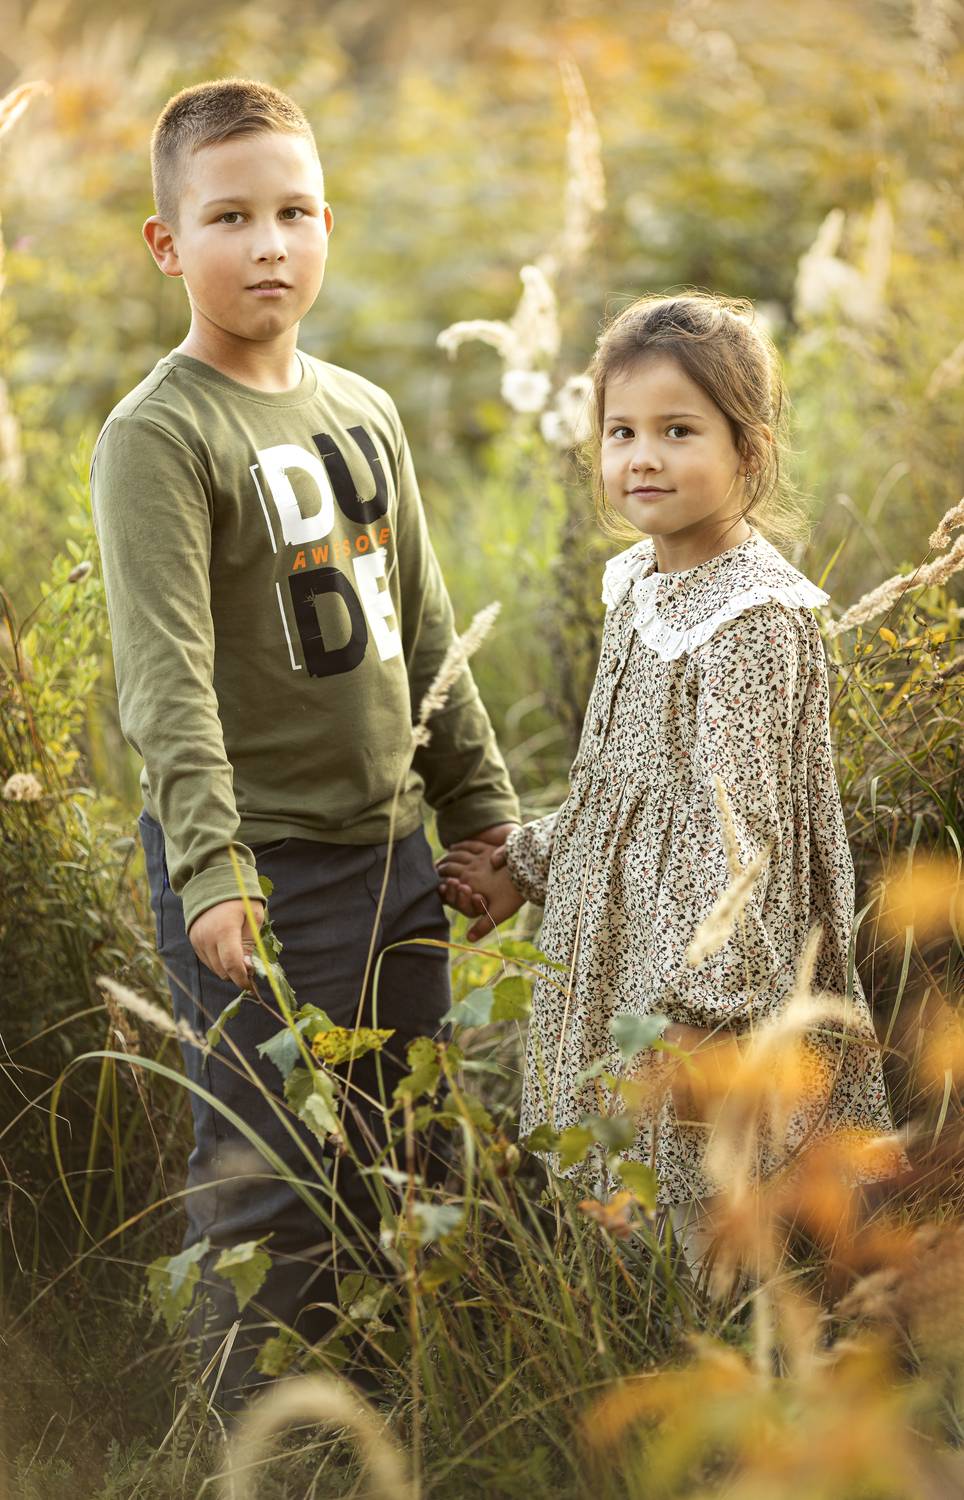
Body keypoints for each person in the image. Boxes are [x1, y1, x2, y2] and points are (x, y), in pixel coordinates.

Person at [89, 77, 519, 1405]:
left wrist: (483, 816)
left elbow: (426, 631)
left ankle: (388, 1416)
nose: (267, 243)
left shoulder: (362, 411)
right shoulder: (160, 435)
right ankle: (269, 1450)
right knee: (268, 1181)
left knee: (406, 1153)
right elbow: (166, 681)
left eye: (293, 212)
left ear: (327, 223)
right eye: (229, 217)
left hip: (394, 859)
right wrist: (212, 870)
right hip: (262, 875)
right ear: (168, 245)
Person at [438, 291, 895, 1269]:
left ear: (748, 452)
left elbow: (742, 832)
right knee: (645, 1189)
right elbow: (618, 782)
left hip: (705, 979)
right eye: (622, 432)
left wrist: (703, 1006)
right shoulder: (641, 585)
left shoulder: (751, 620)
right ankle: (664, 1323)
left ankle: (747, 1339)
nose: (642, 456)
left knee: (715, 1192)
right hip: (632, 948)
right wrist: (527, 861)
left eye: (678, 431)